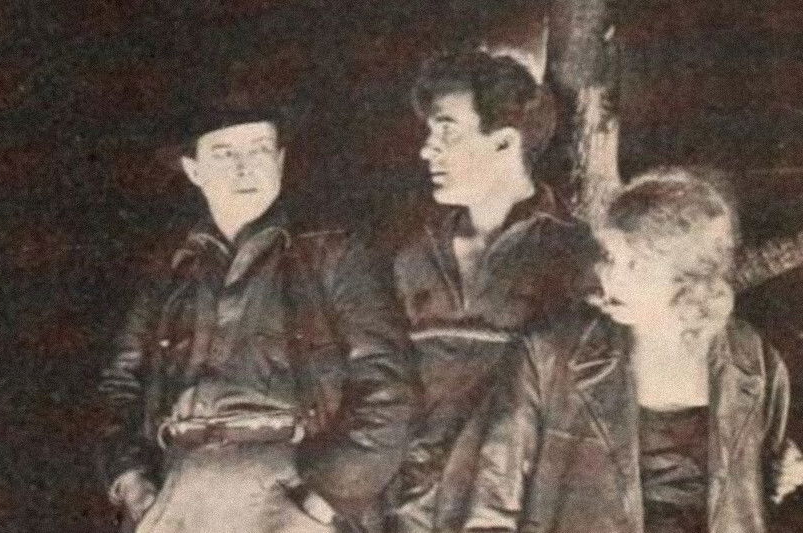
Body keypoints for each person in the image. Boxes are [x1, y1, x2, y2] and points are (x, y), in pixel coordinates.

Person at [97, 110, 413, 533]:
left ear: (279, 161)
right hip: (179, 489)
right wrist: (131, 480)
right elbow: (120, 383)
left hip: (291, 491)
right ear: (193, 170)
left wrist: (328, 500)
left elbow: (388, 383)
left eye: (259, 149)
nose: (244, 168)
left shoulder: (332, 255)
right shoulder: (172, 269)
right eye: (224, 154)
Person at [465, 168, 790, 533]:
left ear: (689, 276)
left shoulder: (752, 360)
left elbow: (768, 489)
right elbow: (489, 509)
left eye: (636, 264)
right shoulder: (546, 356)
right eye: (609, 257)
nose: (610, 277)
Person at [386, 50, 598, 532]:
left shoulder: (576, 256)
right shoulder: (410, 252)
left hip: (511, 509)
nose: (427, 150)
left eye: (447, 132)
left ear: (504, 142)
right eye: (429, 133)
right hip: (403, 509)